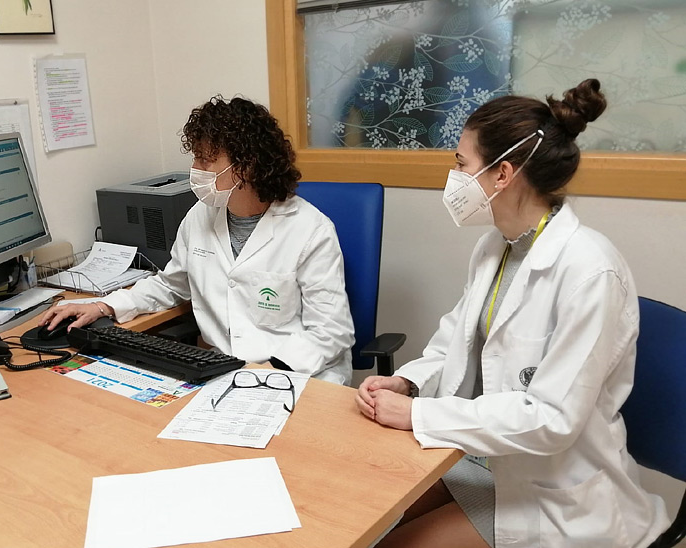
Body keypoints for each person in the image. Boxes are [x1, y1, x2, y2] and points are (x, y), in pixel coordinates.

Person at [355, 79, 670, 547]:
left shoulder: (590, 270)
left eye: (462, 164)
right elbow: (454, 340)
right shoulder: (495, 246)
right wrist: (409, 382)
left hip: (551, 495)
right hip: (486, 462)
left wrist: (418, 415)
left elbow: (551, 419)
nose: (455, 177)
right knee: (366, 511)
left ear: (502, 174)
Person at [40, 96, 355, 385]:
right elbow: (171, 284)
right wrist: (103, 305)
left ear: (245, 167)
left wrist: (269, 372)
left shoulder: (310, 230)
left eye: (205, 160)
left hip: (297, 376)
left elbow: (330, 332)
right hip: (225, 373)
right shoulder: (200, 216)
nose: (195, 170)